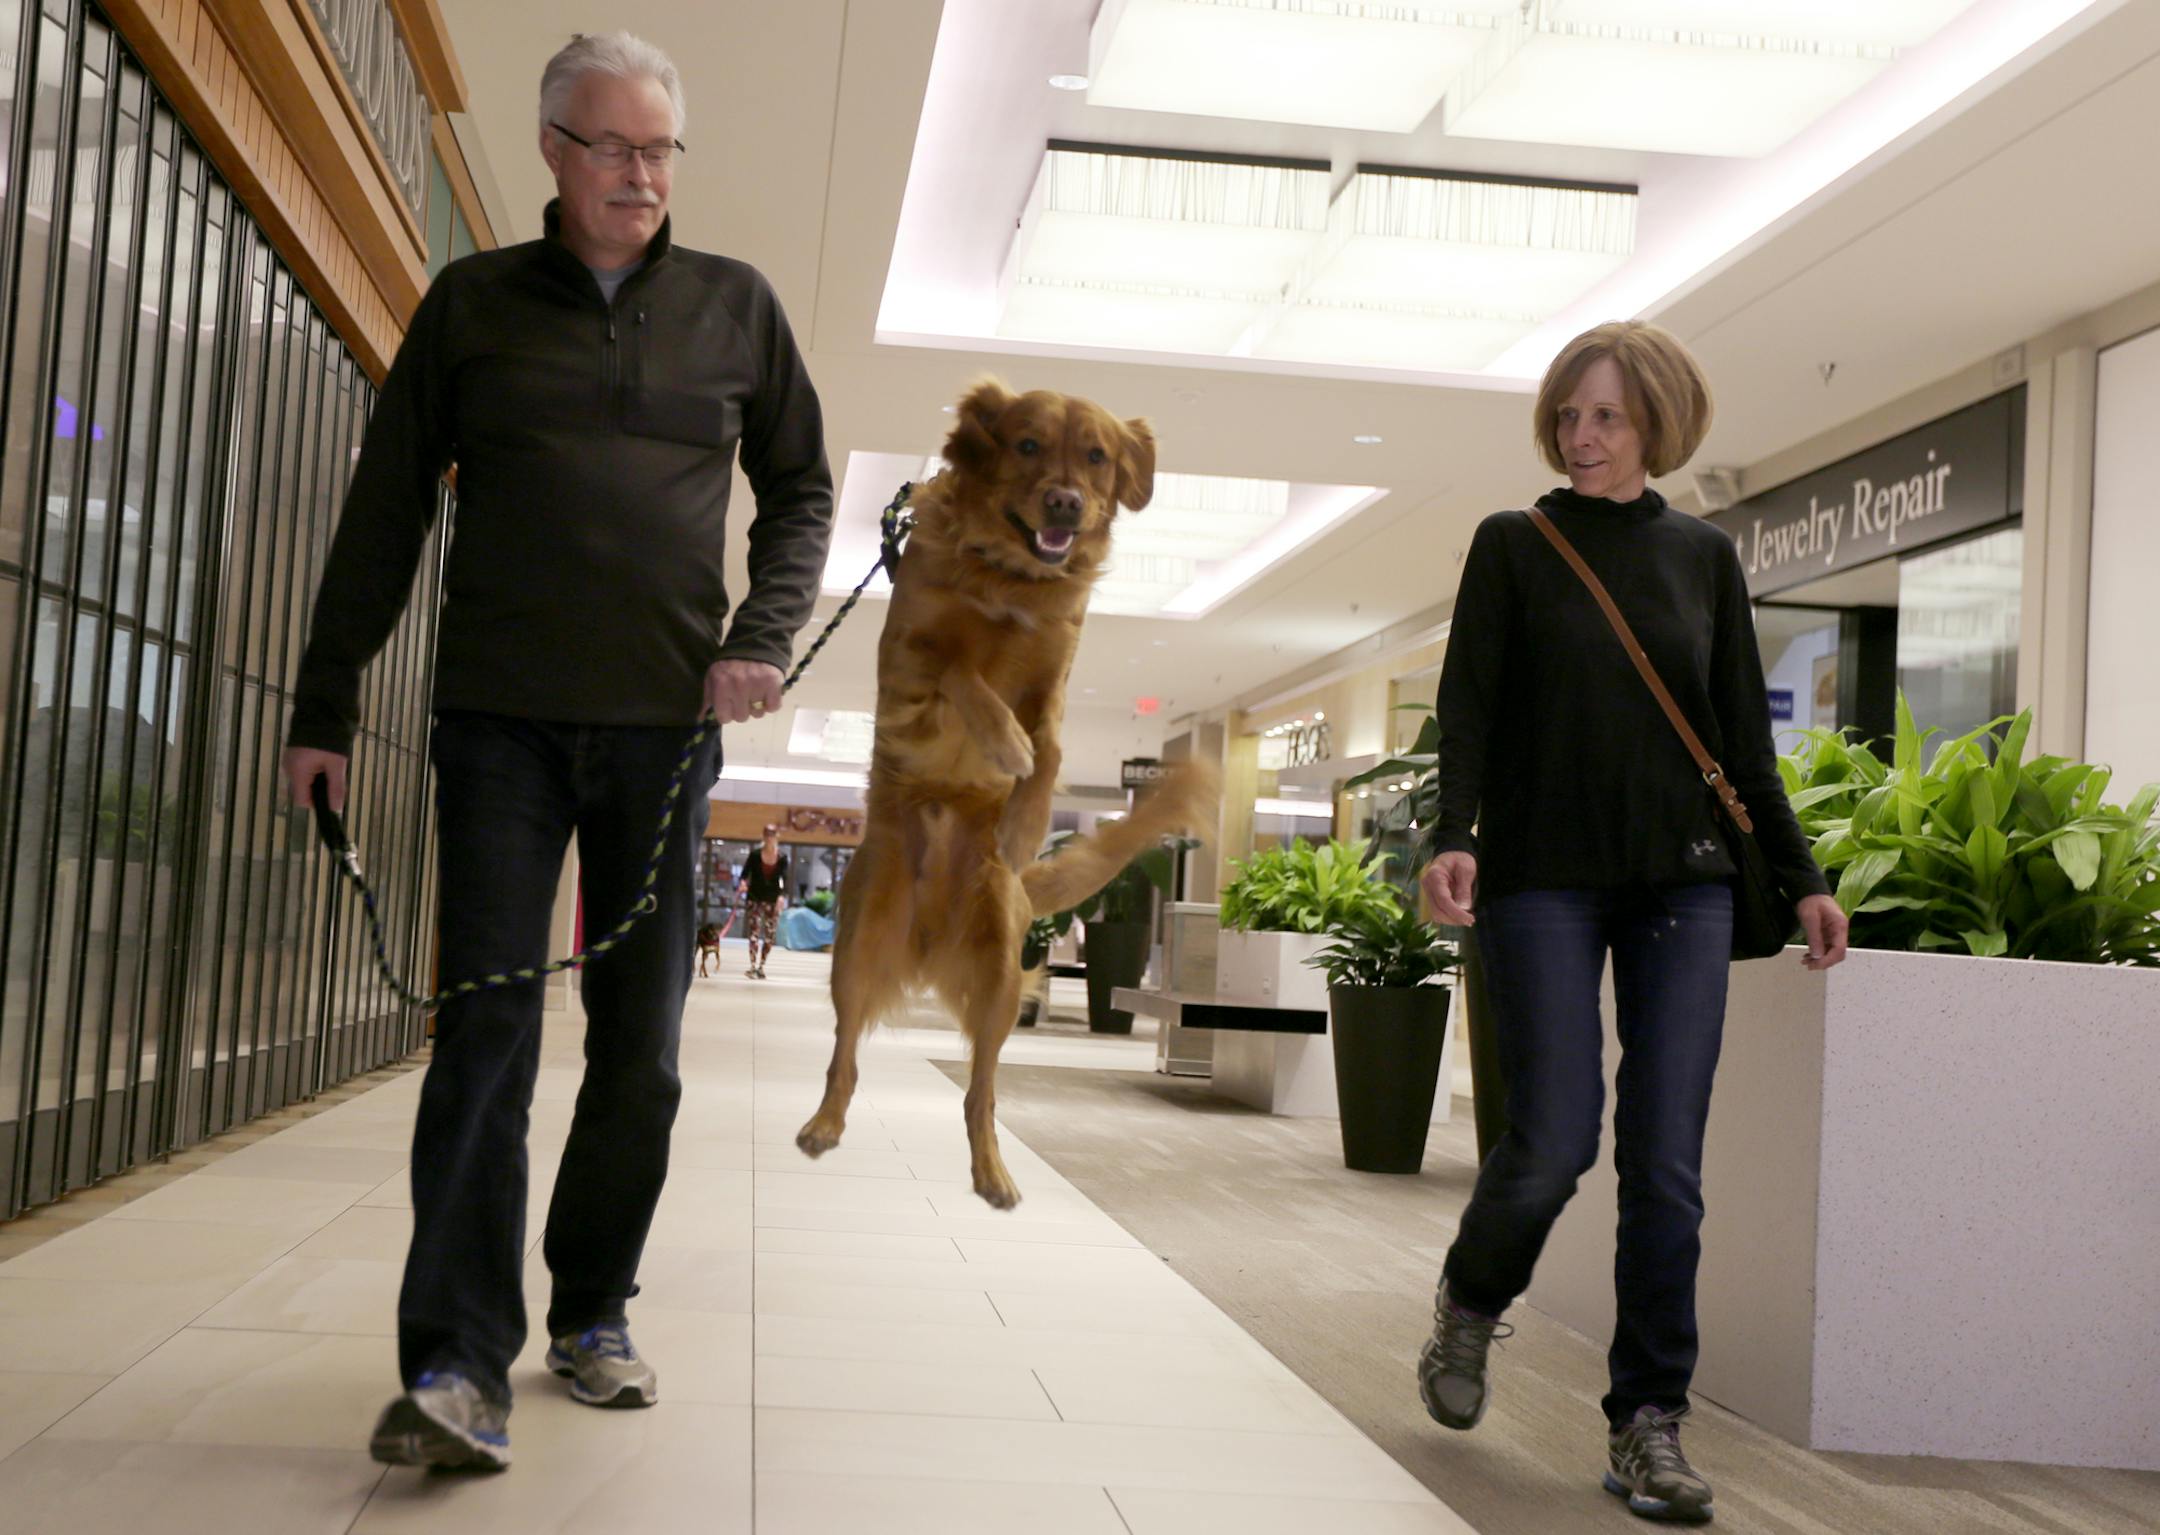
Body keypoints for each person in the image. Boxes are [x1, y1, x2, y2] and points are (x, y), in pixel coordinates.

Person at [279, 31, 833, 1473]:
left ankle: (591, 1310)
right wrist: (323, 705)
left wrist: (763, 633)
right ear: (554, 153)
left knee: (639, 1051)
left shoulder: (736, 309)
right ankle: (459, 1363)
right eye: (614, 146)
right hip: (500, 729)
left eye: (661, 149)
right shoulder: (470, 307)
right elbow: (384, 511)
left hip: (665, 733)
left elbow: (802, 488)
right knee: (486, 1035)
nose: (643, 174)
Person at [1414, 321, 1847, 1525]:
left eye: (1606, 416)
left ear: (1655, 421)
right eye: (1568, 415)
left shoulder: (1702, 556)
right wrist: (1455, 833)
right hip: (1543, 874)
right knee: (1553, 1137)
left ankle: (1647, 1422)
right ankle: (1469, 1296)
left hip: (1685, 882)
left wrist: (1802, 874)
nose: (1582, 436)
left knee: (1667, 1163)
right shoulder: (1514, 544)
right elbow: (1471, 708)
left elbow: (1741, 745)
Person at [737, 824, 789, 978]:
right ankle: (752, 966)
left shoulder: (782, 858)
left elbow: (783, 880)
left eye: (772, 834)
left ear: (776, 836)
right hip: (754, 898)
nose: (769, 837)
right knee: (753, 933)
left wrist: (781, 896)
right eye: (767, 834)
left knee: (769, 935)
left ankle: (762, 966)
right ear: (764, 836)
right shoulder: (754, 855)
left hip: (772, 900)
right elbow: (744, 874)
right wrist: (743, 884)